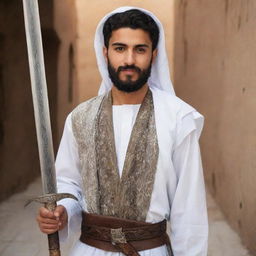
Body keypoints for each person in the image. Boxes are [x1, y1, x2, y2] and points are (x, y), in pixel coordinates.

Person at [36, 6, 208, 256]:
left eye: (140, 49)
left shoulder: (178, 118)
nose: (129, 60)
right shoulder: (80, 118)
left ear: (154, 54)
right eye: (120, 48)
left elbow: (189, 210)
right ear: (105, 53)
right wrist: (61, 211)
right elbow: (69, 183)